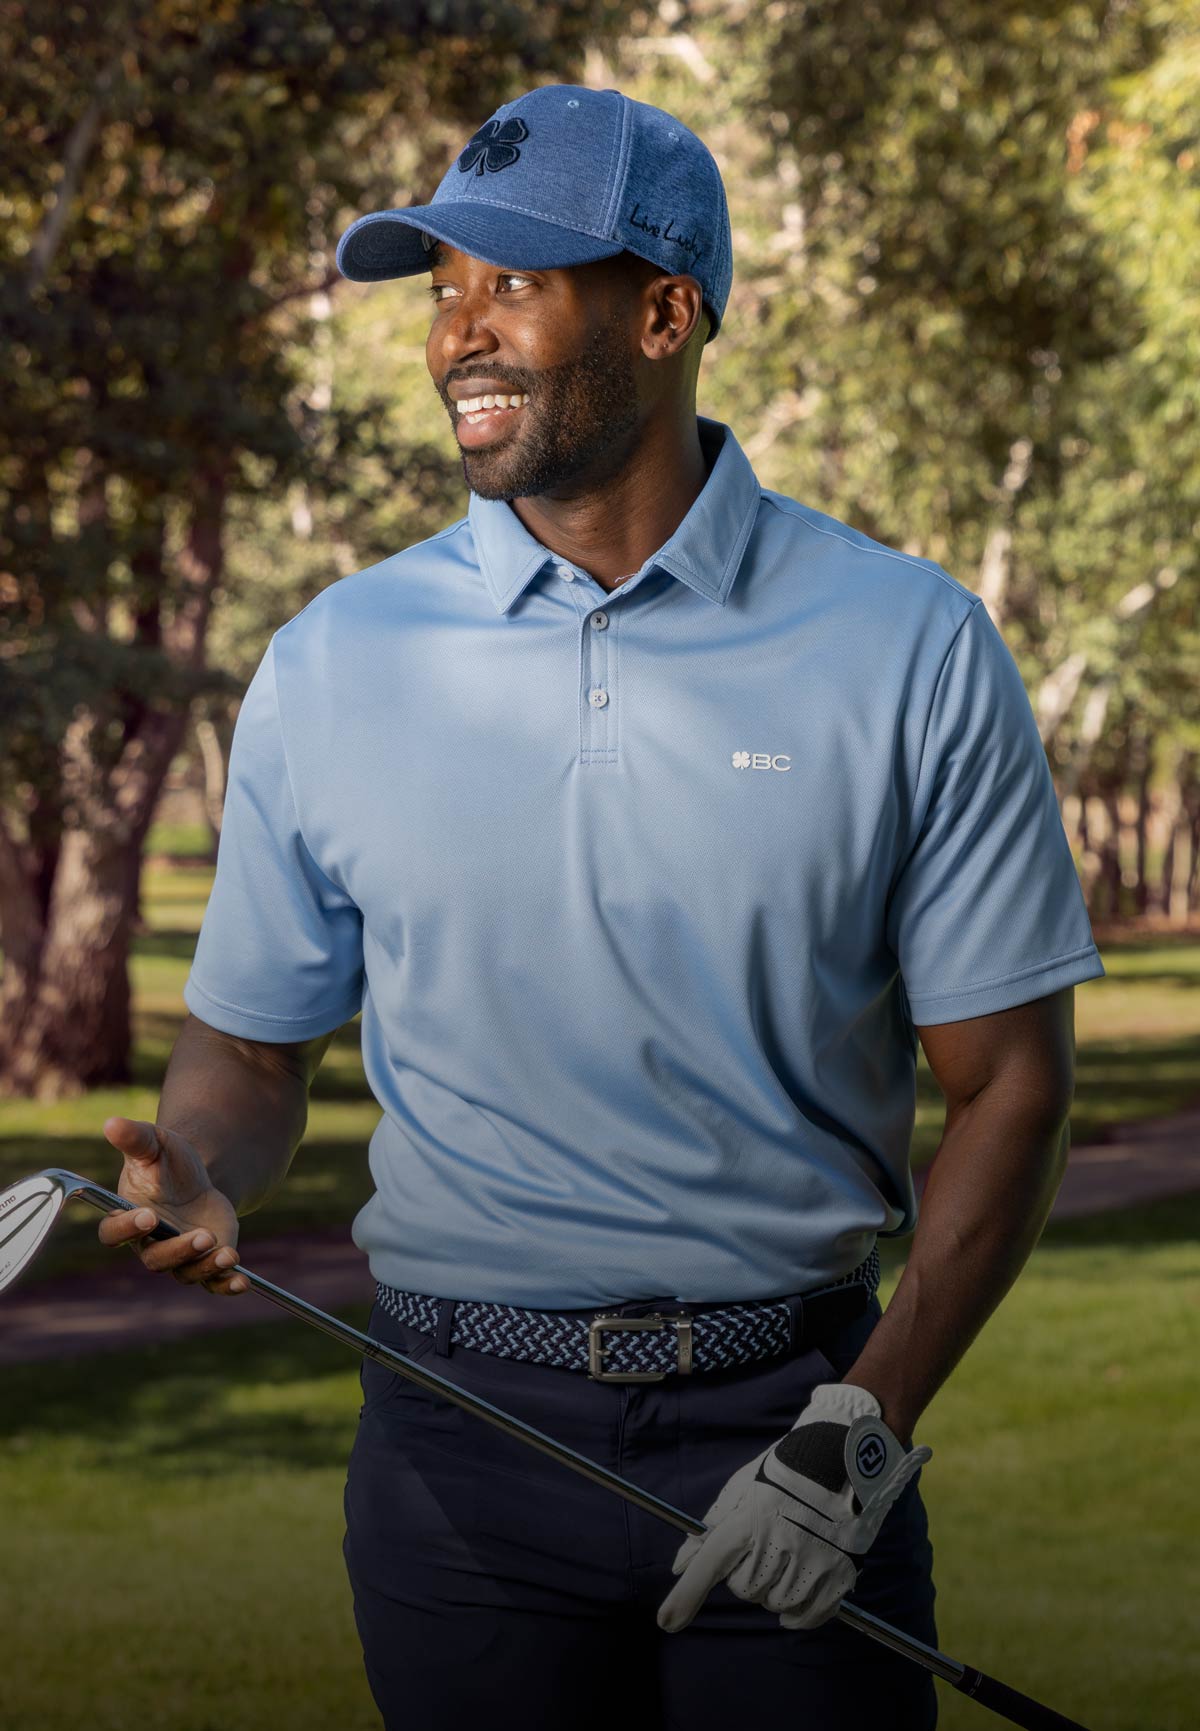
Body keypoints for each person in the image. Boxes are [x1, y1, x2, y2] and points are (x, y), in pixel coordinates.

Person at [97, 84, 1106, 1730]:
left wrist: (861, 1427)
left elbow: (1015, 1086)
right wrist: (208, 1162)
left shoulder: (908, 644)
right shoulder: (333, 663)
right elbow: (252, 1051)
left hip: (793, 1417)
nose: (458, 338)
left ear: (663, 309)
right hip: (452, 1455)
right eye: (441, 290)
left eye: (512, 284)